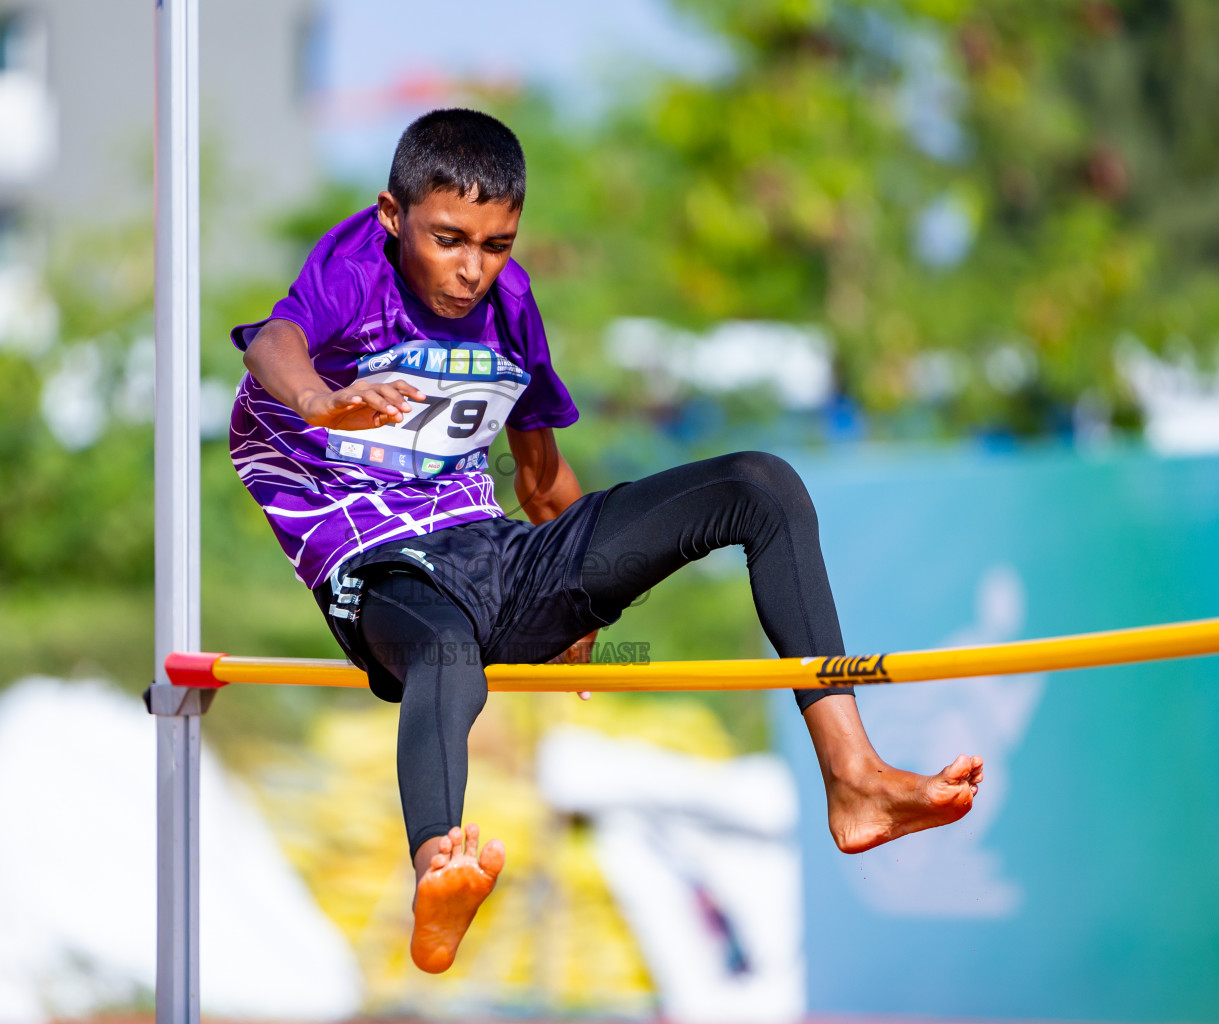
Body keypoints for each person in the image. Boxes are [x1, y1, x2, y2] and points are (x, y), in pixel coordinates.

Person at [229, 108, 985, 975]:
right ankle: (439, 865)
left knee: (760, 486)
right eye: (448, 240)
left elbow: (542, 479)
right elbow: (276, 344)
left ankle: (855, 779)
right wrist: (323, 402)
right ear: (394, 216)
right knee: (446, 652)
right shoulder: (355, 264)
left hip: (491, 556)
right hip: (381, 570)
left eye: (497, 244)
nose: (473, 269)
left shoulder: (507, 308)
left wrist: (575, 603)